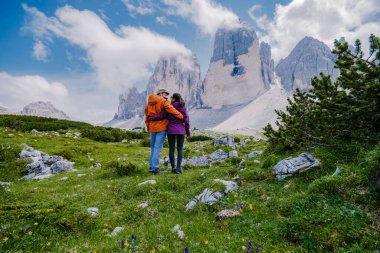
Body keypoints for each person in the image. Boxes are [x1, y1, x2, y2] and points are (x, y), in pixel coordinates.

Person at [149, 93, 190, 174]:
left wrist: (152, 118)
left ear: (174, 98)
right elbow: (187, 120)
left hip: (171, 130)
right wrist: (188, 131)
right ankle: (178, 168)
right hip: (180, 131)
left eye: (171, 97)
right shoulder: (183, 107)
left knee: (171, 149)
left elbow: (161, 116)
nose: (170, 98)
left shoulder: (168, 106)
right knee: (180, 149)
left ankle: (173, 168)